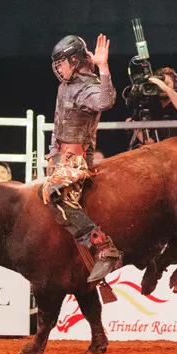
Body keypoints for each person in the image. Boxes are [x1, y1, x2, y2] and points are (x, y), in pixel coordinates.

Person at [45, 33, 121, 283]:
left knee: (60, 199)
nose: (59, 68)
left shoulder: (87, 88)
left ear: (75, 61)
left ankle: (102, 246)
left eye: (62, 62)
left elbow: (107, 100)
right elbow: (59, 125)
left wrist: (103, 67)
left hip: (75, 161)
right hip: (60, 159)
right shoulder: (65, 87)